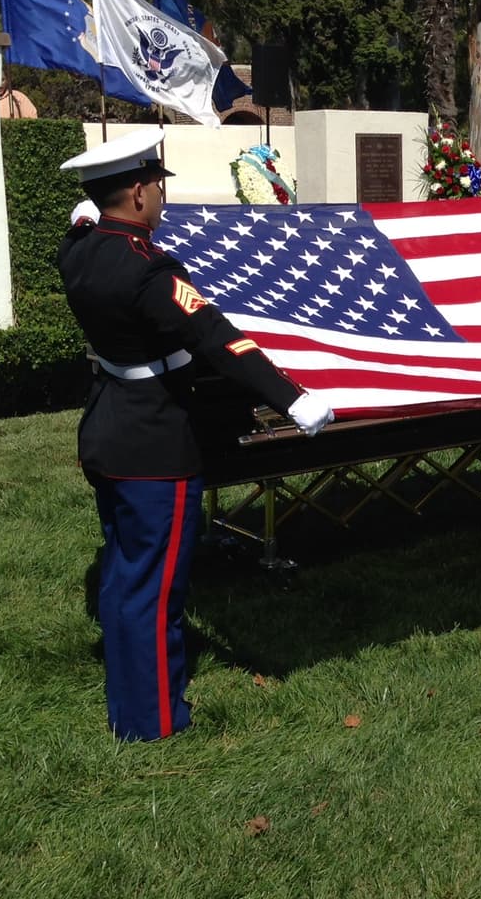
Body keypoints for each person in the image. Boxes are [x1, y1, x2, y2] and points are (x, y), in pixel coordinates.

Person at [57, 128, 334, 741]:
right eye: (157, 186)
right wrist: (293, 398)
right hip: (154, 443)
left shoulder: (79, 251)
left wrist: (86, 217)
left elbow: (75, 232)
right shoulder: (148, 271)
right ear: (137, 193)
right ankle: (151, 720)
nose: (162, 196)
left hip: (107, 428)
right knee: (154, 588)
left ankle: (128, 698)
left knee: (124, 572)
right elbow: (217, 338)